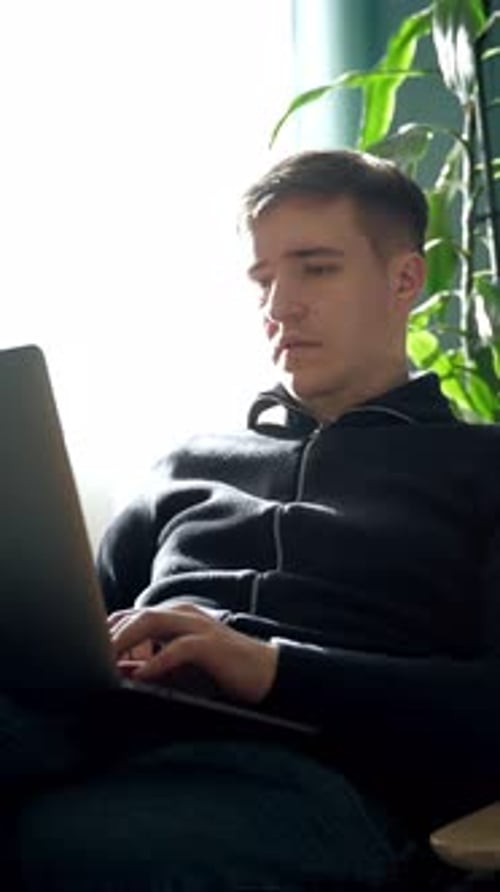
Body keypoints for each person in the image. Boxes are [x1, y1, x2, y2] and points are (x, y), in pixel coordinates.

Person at [6, 149, 500, 891]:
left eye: (316, 268)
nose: (280, 306)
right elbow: (75, 639)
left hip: (314, 780)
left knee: (69, 854)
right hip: (103, 743)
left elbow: (489, 707)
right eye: (264, 279)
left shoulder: (482, 468)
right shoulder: (185, 463)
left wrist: (269, 668)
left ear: (404, 279)